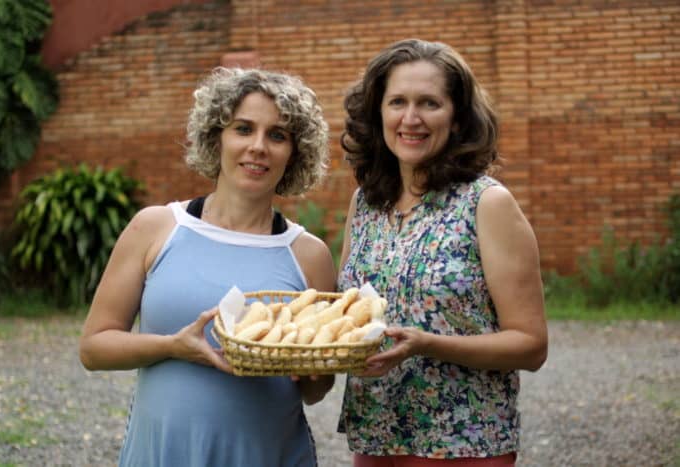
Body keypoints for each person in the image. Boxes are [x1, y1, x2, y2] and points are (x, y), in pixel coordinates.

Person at [79, 67, 336, 466]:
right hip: (163, 454)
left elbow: (316, 389)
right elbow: (94, 348)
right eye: (243, 129)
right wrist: (173, 346)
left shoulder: (309, 255)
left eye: (277, 135)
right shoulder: (156, 228)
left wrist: (312, 371)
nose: (258, 147)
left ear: (295, 151)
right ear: (217, 137)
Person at [336, 38, 548, 466]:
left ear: (457, 119)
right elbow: (345, 312)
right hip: (377, 436)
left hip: (463, 441)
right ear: (378, 113)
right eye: (397, 101)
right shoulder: (366, 203)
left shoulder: (486, 204)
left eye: (429, 103)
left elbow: (530, 345)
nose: (410, 118)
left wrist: (427, 343)